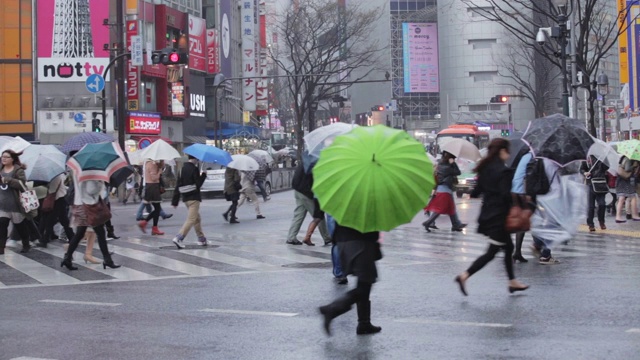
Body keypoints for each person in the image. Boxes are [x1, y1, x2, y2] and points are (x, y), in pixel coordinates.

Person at [454, 139, 529, 296]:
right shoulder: (503, 171)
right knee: (491, 252)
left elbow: (475, 192)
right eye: (507, 151)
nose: (508, 155)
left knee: (508, 248)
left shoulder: (485, 168)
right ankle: (464, 276)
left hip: (488, 216)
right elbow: (504, 195)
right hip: (499, 217)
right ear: (501, 151)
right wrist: (521, 202)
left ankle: (512, 282)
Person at [318, 223, 382, 336]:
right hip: (359, 242)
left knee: (364, 281)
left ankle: (364, 323)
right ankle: (332, 309)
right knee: (366, 282)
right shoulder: (367, 207)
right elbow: (371, 230)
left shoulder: (349, 206)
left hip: (344, 241)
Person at [61, 178, 120, 270]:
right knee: (100, 233)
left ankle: (67, 258)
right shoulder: (89, 173)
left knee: (80, 234)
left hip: (80, 205)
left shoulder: (79, 171)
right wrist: (100, 183)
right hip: (89, 207)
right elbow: (91, 189)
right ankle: (108, 260)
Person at [285, 162, 332, 246]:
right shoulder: (315, 163)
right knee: (318, 215)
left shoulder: (306, 159)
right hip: (306, 192)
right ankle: (327, 237)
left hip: (297, 189)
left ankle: (291, 237)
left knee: (299, 214)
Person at [422, 151, 467, 232]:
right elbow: (458, 172)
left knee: (451, 208)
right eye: (453, 158)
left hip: (444, 189)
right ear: (450, 158)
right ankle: (428, 223)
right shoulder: (447, 167)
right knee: (440, 209)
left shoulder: (440, 165)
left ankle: (456, 225)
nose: (454, 159)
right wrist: (453, 163)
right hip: (445, 190)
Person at [171, 155, 208, 248]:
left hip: (185, 198)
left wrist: (175, 201)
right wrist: (203, 175)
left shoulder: (181, 169)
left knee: (197, 218)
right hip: (194, 198)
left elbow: (178, 185)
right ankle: (179, 237)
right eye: (197, 159)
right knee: (191, 219)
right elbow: (198, 184)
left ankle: (201, 239)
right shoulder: (194, 169)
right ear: (195, 159)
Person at [0, 150, 32, 254]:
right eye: (2, 156)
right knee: (2, 225)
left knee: (20, 226)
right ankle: (1, 247)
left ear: (12, 159)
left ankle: (26, 244)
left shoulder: (18, 170)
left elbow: (22, 185)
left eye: (6, 157)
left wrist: (9, 180)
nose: (3, 159)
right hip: (2, 204)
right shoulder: (0, 169)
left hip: (16, 204)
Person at [39, 172, 75, 248]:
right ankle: (72, 237)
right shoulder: (59, 175)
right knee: (63, 220)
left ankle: (45, 240)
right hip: (60, 199)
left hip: (57, 200)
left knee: (50, 220)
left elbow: (52, 190)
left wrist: (46, 186)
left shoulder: (55, 176)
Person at [510, 149, 533, 263]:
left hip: (516, 190)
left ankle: (517, 252)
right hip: (523, 192)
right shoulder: (532, 158)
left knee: (524, 221)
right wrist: (528, 194)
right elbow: (529, 176)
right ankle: (539, 248)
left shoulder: (525, 156)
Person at [580, 155, 610, 232]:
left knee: (602, 204)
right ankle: (590, 224)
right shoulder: (587, 158)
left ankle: (601, 221)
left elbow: (606, 167)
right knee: (591, 206)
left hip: (601, 183)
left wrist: (603, 160)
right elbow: (582, 169)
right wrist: (585, 173)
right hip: (590, 183)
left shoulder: (602, 156)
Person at [138, 160, 165, 235]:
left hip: (150, 187)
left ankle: (153, 227)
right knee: (157, 209)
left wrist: (160, 166)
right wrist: (159, 171)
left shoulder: (148, 163)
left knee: (157, 209)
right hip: (153, 187)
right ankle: (146, 224)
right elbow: (154, 178)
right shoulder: (152, 165)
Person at [615, 156, 640, 222]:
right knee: (632, 197)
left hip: (622, 180)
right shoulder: (628, 159)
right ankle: (634, 215)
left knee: (622, 198)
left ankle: (618, 216)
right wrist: (634, 166)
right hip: (625, 180)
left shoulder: (624, 158)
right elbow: (627, 169)